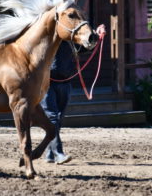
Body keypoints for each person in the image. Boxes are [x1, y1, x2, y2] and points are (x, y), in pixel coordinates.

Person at [41, 25, 106, 164]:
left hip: (65, 82)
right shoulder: (47, 37)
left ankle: (49, 153)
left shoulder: (71, 40)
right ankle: (59, 153)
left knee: (58, 118)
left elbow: (86, 47)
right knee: (52, 117)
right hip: (47, 83)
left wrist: (96, 35)